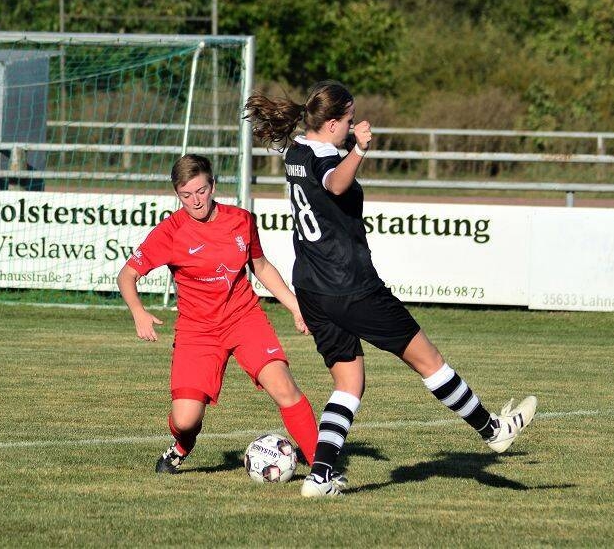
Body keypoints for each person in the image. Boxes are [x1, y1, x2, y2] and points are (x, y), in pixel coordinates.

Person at [244, 80, 538, 498]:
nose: (353, 127)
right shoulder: (326, 157)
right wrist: (360, 150)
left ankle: (320, 476)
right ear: (332, 123)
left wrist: (349, 149)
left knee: (349, 383)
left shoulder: (297, 151)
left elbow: (326, 175)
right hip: (351, 286)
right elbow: (335, 184)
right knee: (429, 361)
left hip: (312, 288)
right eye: (348, 120)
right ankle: (493, 430)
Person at [117, 154, 322, 475]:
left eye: (201, 191)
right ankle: (182, 445)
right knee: (185, 420)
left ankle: (323, 468)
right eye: (186, 195)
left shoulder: (241, 220)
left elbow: (261, 267)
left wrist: (296, 307)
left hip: (243, 318)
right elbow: (126, 275)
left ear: (213, 186)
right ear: (177, 194)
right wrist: (138, 312)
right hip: (197, 331)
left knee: (283, 386)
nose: (196, 201)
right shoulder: (170, 232)